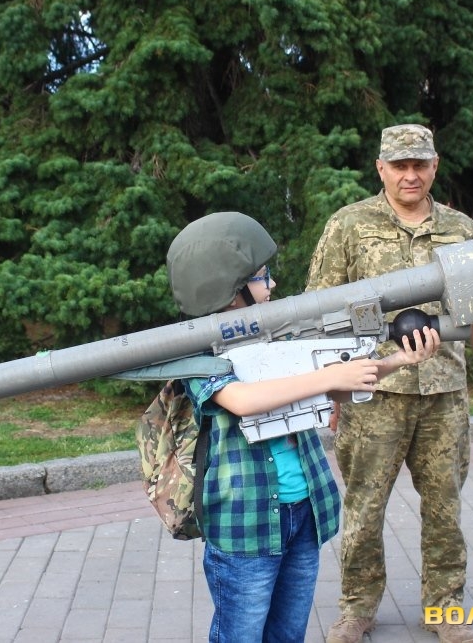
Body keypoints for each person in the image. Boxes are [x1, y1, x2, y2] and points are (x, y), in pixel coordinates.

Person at [165, 211, 441, 643]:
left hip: (303, 513)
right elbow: (242, 400)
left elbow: (335, 387)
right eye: (261, 277)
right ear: (228, 290)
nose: (272, 283)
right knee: (240, 636)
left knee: (289, 633)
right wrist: (329, 377)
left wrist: (398, 361)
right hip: (246, 524)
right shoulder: (197, 352)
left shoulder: (276, 333)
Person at [306, 125, 473, 643]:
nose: (410, 175)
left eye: (419, 164)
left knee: (444, 508)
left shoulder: (460, 229)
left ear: (434, 166)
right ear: (381, 168)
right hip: (372, 392)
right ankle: (356, 608)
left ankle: (445, 607)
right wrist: (329, 388)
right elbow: (319, 312)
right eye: (399, 165)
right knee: (364, 509)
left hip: (442, 394)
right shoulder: (349, 225)